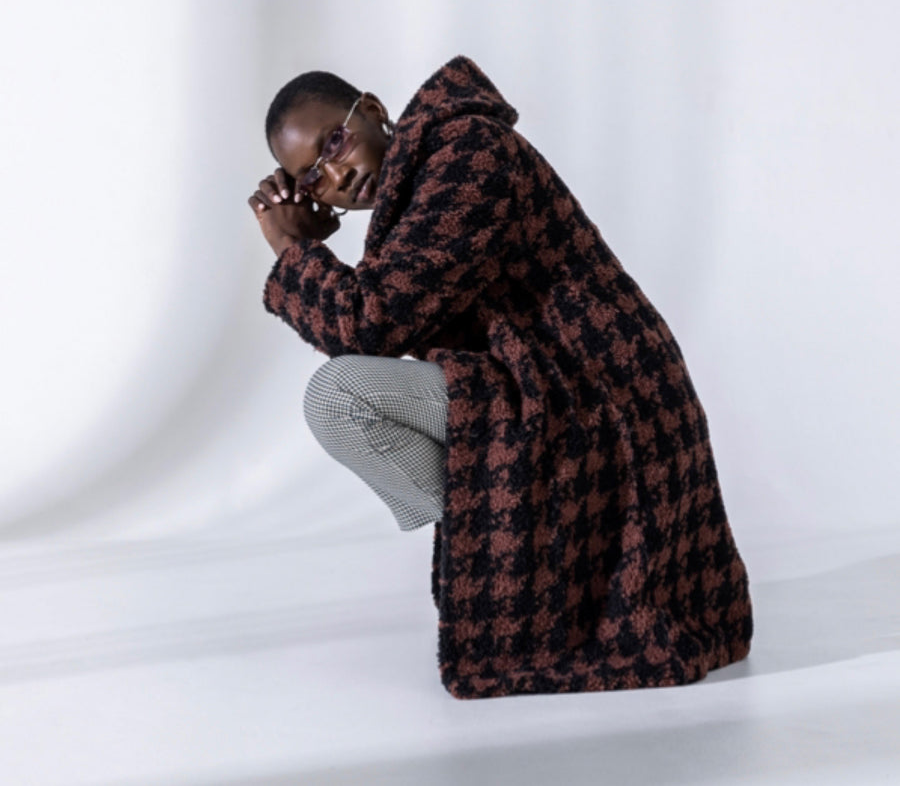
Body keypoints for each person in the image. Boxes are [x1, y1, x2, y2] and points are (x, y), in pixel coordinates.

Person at [248, 55, 753, 700]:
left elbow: (372, 325)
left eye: (335, 143)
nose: (337, 175)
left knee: (343, 395)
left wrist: (295, 251)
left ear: (373, 110)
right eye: (312, 177)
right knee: (344, 397)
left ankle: (501, 544)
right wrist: (311, 251)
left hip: (601, 391)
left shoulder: (468, 154)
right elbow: (381, 314)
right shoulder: (416, 188)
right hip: (538, 383)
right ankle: (498, 541)